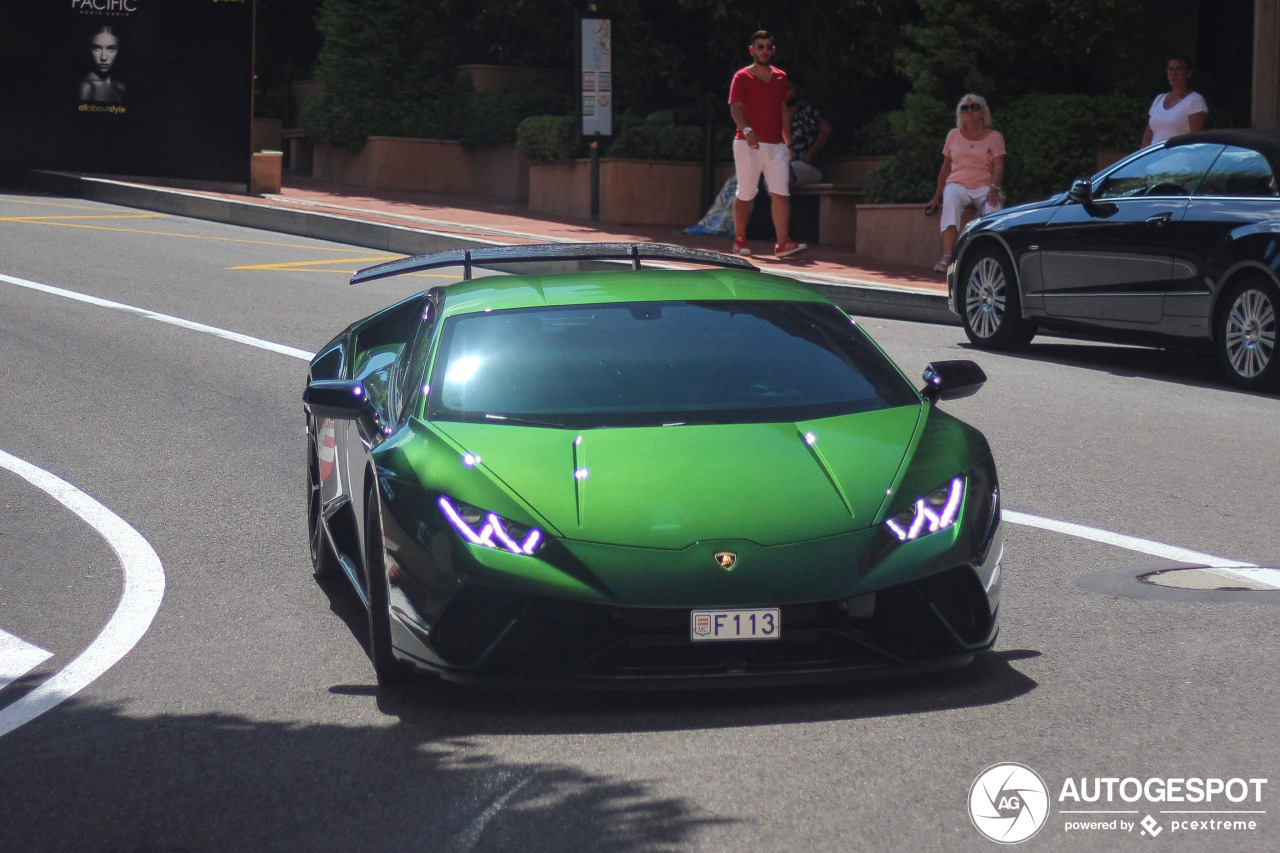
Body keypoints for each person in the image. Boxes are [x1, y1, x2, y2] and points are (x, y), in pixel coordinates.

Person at [728, 30, 806, 258]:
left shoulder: (781, 77)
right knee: (746, 192)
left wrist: (788, 143)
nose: (764, 50)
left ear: (773, 50)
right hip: (747, 144)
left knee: (781, 194)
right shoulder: (741, 77)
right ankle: (739, 238)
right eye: (760, 46)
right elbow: (735, 108)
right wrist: (748, 130)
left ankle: (783, 243)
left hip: (776, 146)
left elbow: (782, 110)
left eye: (768, 47)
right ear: (752, 50)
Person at [924, 94, 1006, 273]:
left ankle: (990, 258)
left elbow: (999, 167)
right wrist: (937, 197)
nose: (969, 111)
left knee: (994, 210)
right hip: (958, 183)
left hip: (985, 185)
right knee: (951, 201)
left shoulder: (995, 137)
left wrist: (995, 187)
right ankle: (947, 257)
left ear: (983, 111)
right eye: (965, 108)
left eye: (974, 107)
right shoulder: (953, 135)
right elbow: (945, 168)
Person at [1141, 54, 1208, 147]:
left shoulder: (1195, 100)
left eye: (1179, 69)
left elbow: (1195, 140)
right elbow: (1147, 137)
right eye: (1171, 69)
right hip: (1156, 157)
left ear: (1188, 73)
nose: (1174, 74)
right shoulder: (1159, 99)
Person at [786, 74, 832, 187]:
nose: (785, 93)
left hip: (808, 167)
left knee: (780, 176)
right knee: (740, 180)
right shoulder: (776, 114)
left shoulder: (807, 111)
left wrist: (809, 156)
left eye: (790, 88)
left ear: (800, 91)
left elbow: (826, 130)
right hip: (782, 165)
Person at [79, 26, 125, 104]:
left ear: (119, 50)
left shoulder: (121, 87)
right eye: (97, 48)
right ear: (89, 50)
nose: (103, 57)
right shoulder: (87, 87)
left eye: (111, 49)